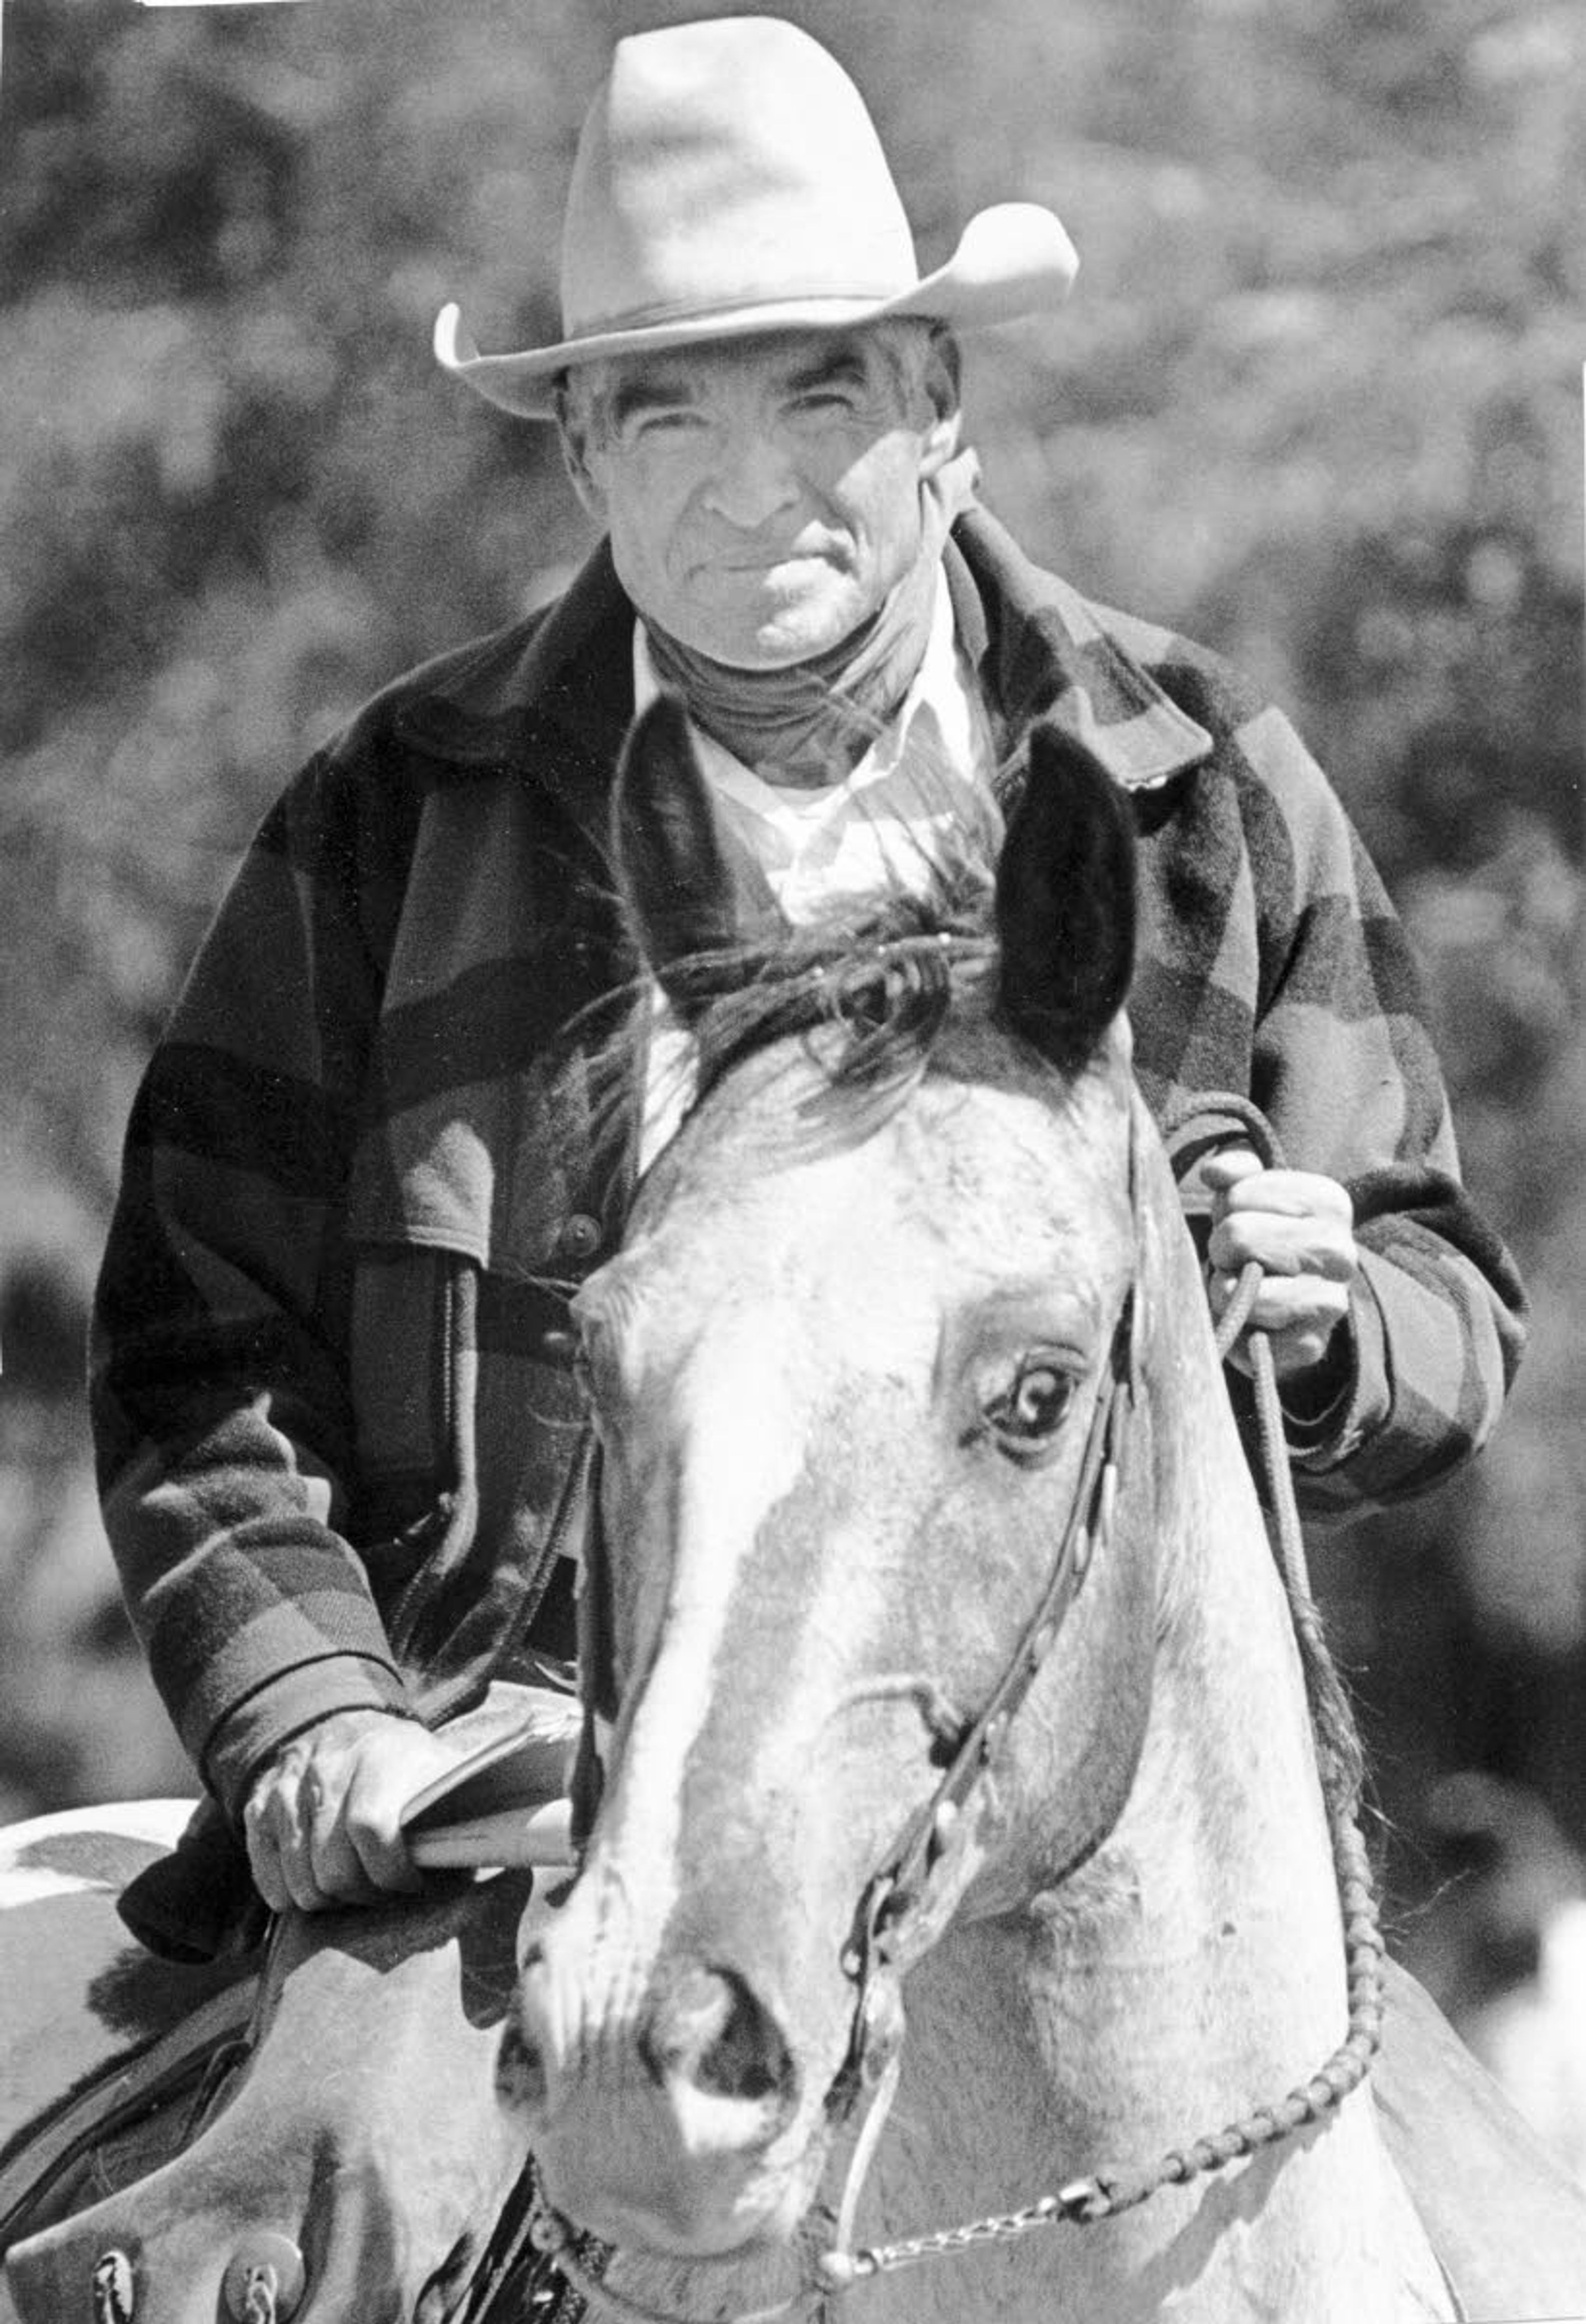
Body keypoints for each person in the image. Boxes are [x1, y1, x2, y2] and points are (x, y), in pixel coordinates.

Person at [91, 17, 1524, 1948]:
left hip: (1112, 1892)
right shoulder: (390, 821)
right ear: (585, 453)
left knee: (1488, 2243)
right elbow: (200, 1357)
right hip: (534, 1849)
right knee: (303, 2221)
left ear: (945, 411)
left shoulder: (1198, 785)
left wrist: (1335, 1321)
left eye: (821, 398)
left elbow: (1450, 1310)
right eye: (671, 412)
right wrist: (315, 1719)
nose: (753, 485)